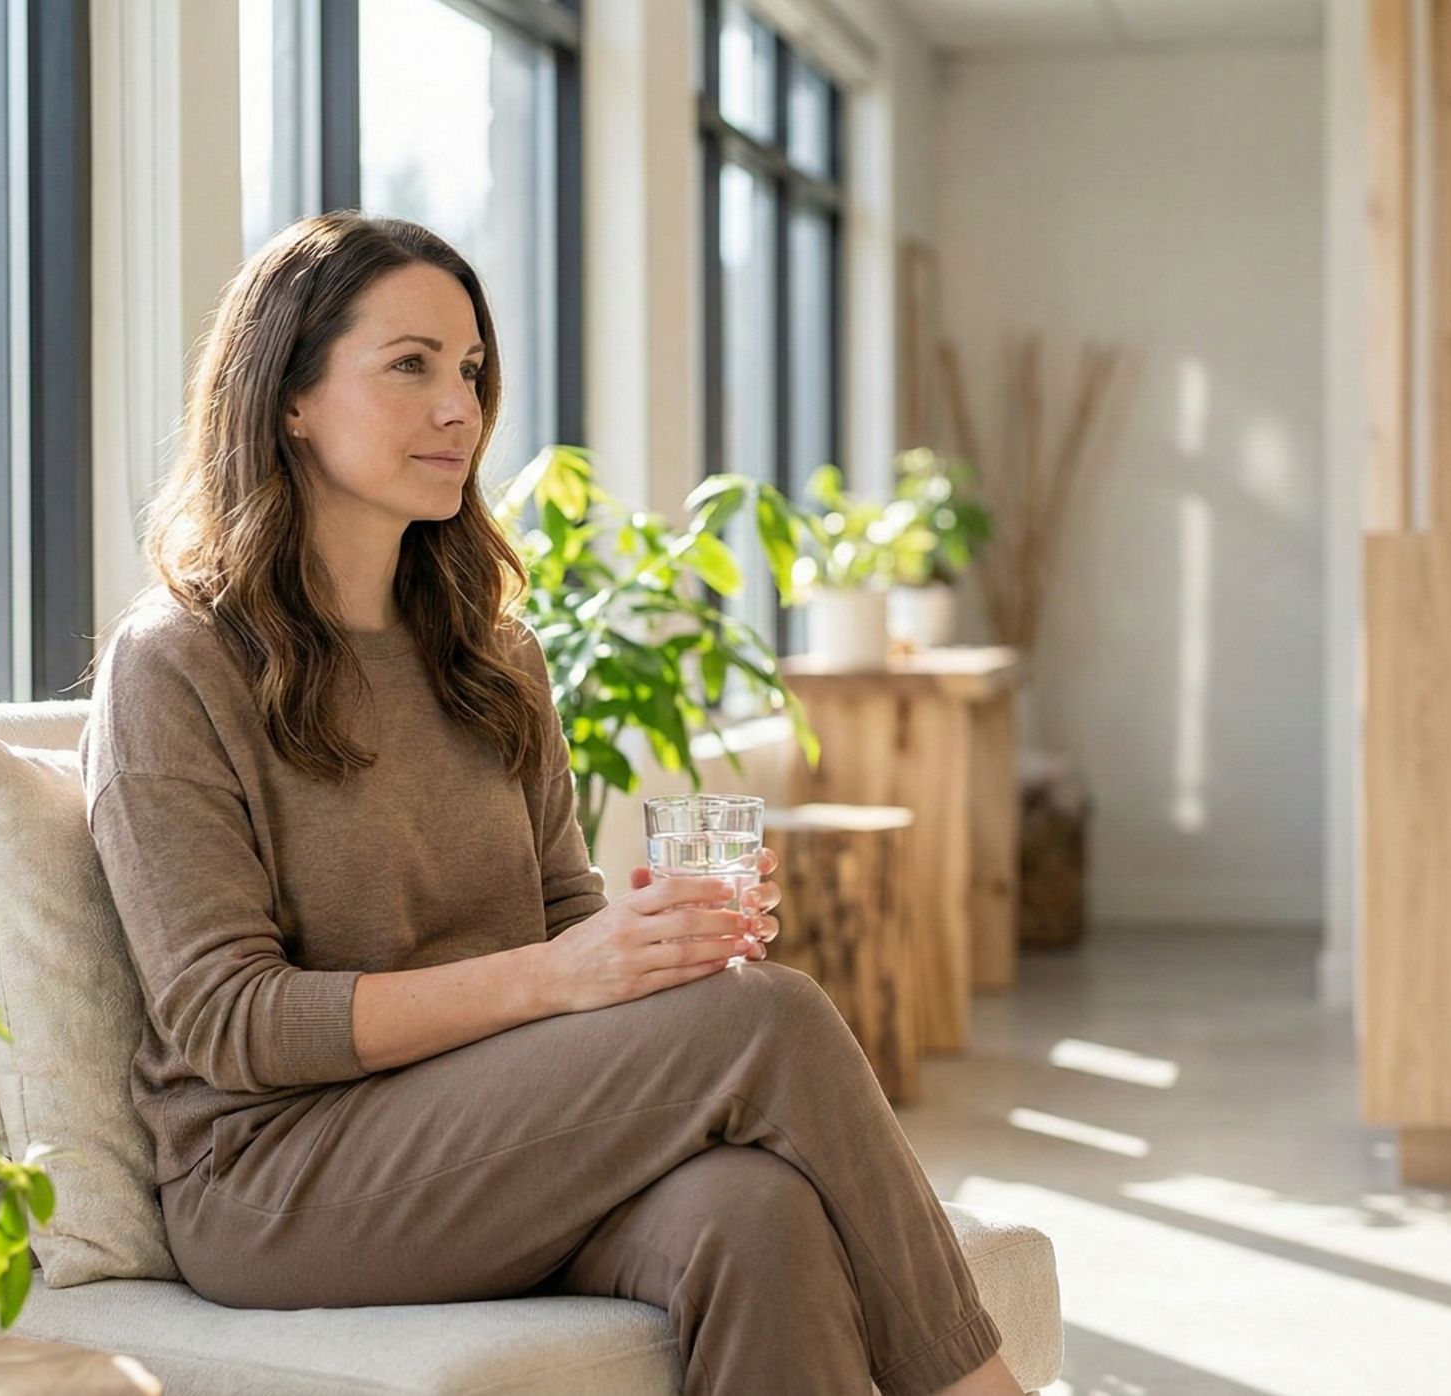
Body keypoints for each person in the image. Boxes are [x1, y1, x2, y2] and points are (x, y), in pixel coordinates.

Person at [83, 212, 1024, 1396]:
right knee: (767, 1020)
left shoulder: (490, 657)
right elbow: (232, 1020)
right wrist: (566, 980)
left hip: (488, 1136)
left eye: (470, 370)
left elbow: (559, 915)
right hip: (276, 1175)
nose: (459, 409)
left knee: (756, 1210)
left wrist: (648, 953)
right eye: (409, 364)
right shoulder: (177, 665)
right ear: (289, 397)